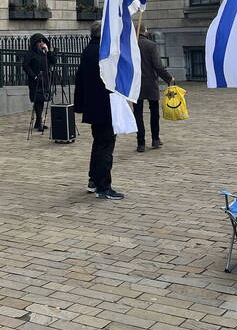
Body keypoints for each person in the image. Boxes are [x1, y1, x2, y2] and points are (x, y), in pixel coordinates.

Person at [74, 21, 124, 200]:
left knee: (98, 144)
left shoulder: (88, 50)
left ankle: (93, 180)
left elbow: (79, 78)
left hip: (93, 107)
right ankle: (104, 186)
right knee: (105, 146)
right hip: (105, 106)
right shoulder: (103, 54)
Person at [133, 29, 173, 152]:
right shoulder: (151, 45)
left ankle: (141, 143)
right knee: (154, 112)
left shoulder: (131, 45)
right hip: (150, 83)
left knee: (138, 114)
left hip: (136, 84)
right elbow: (158, 66)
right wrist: (168, 78)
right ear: (144, 32)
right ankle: (155, 139)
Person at [22, 33, 54, 131]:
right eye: (39, 42)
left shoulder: (45, 52)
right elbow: (26, 66)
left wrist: (48, 51)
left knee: (43, 99)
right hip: (35, 81)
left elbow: (53, 61)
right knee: (37, 100)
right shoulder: (30, 53)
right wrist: (34, 77)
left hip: (45, 80)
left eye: (43, 41)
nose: (41, 43)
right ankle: (39, 120)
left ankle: (38, 121)